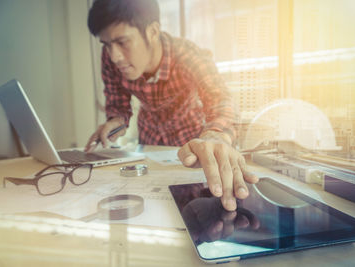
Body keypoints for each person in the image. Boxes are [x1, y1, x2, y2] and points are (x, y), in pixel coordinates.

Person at [85, 0, 258, 211]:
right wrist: (116, 122)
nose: (114, 56)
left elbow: (221, 98)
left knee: (202, 207)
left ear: (152, 31)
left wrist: (216, 135)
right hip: (150, 144)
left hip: (194, 146)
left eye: (122, 42)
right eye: (107, 44)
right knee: (155, 207)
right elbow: (118, 103)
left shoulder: (187, 55)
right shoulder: (110, 57)